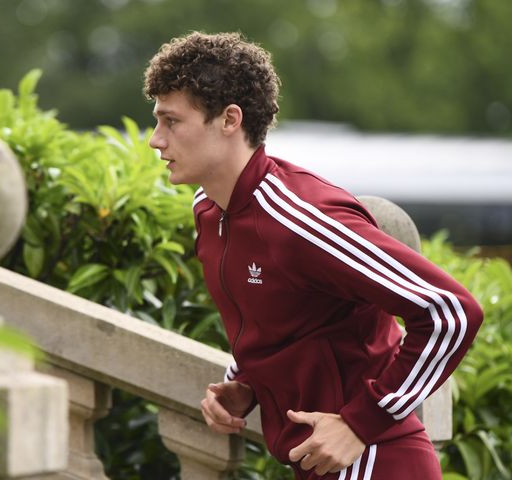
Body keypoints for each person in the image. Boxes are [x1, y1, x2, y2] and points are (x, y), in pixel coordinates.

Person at [143, 32, 483, 480]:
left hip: (377, 463)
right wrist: (246, 385)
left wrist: (361, 424)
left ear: (229, 119)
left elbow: (451, 312)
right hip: (316, 464)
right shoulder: (209, 211)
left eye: (171, 122)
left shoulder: (302, 218)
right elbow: (287, 323)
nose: (155, 140)